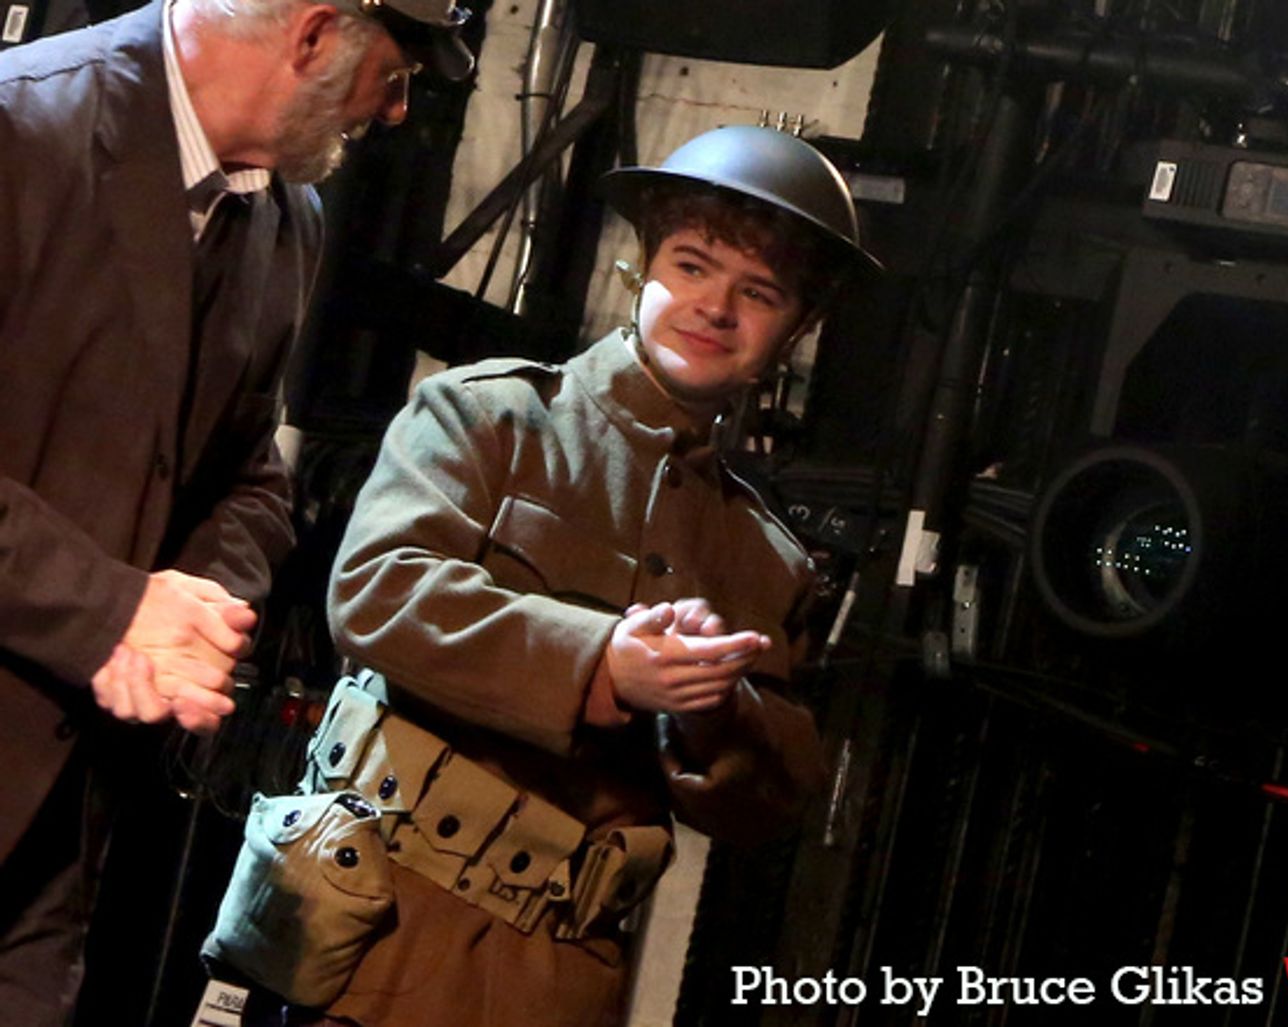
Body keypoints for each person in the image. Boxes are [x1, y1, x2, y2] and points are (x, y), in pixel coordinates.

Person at [204, 123, 880, 1027]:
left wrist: (712, 711)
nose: (715, 307)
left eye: (758, 293)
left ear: (797, 328)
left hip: (560, 983)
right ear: (640, 271)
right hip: (376, 939)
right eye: (691, 266)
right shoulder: (490, 418)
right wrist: (605, 663)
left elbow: (774, 802)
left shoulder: (766, 560)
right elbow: (377, 593)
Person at [0, 0, 472, 1021]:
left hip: (56, 827)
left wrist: (193, 613)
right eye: (394, 75)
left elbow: (250, 474)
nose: (395, 111)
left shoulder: (286, 217)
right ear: (312, 35)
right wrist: (111, 613)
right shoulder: (20, 127)